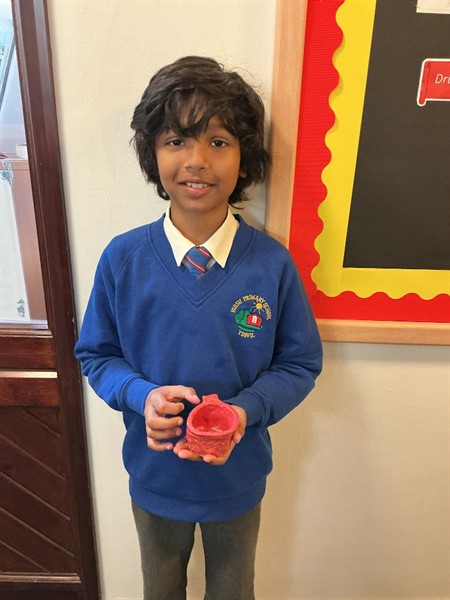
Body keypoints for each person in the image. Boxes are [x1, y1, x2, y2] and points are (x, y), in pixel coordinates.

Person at [75, 56, 323, 600]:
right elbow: (97, 354)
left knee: (233, 590)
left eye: (218, 141)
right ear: (153, 153)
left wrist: (244, 411)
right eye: (176, 140)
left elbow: (300, 363)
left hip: (238, 478)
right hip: (155, 475)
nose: (196, 160)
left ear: (244, 156)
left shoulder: (271, 265)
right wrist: (140, 395)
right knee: (160, 589)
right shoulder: (123, 259)